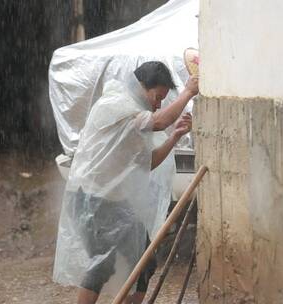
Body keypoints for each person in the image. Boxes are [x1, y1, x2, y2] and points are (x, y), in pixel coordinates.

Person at [53, 61, 198, 304]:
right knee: (103, 262)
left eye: (163, 99)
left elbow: (147, 162)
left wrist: (174, 137)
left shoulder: (134, 113)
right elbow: (159, 121)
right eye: (158, 96)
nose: (158, 104)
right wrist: (188, 92)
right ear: (143, 86)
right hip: (92, 200)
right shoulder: (117, 104)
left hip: (115, 202)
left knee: (145, 260)